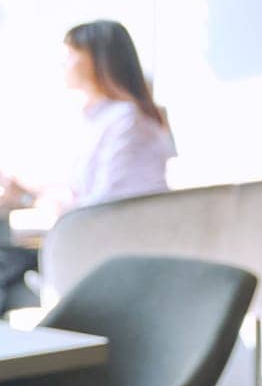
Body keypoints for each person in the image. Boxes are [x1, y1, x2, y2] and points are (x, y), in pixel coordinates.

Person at [0, 21, 175, 313]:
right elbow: (86, 192)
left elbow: (110, 208)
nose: (63, 62)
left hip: (103, 254)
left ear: (99, 59)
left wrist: (39, 205)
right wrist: (29, 194)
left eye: (71, 54)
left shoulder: (128, 121)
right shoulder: (99, 120)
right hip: (89, 243)